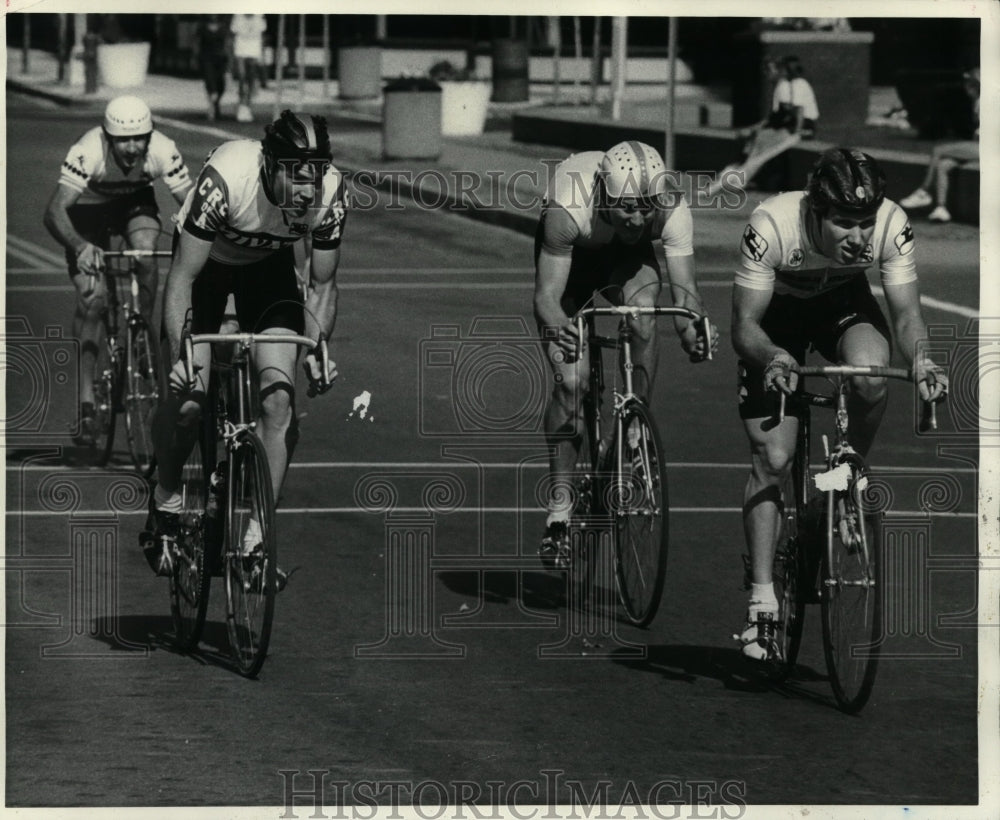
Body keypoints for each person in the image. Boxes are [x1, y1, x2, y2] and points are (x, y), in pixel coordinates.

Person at [731, 147, 948, 660]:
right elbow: (744, 326)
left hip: (840, 303)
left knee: (872, 378)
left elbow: (906, 317)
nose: (859, 237)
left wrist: (923, 361)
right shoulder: (773, 225)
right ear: (816, 213)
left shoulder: (892, 225)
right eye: (846, 225)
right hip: (774, 320)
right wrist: (774, 357)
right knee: (774, 459)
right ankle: (763, 601)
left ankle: (846, 477)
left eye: (865, 224)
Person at [144, 110, 344, 576]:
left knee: (279, 406)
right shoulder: (228, 177)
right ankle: (167, 499)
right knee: (189, 400)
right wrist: (182, 352)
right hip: (205, 269)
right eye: (296, 175)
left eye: (314, 175)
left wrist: (316, 348)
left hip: (267, 272)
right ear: (270, 165)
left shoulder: (331, 193)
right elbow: (181, 278)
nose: (307, 189)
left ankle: (256, 541)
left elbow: (323, 286)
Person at [533, 140, 719, 567]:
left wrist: (695, 333)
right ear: (604, 196)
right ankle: (560, 510)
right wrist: (558, 325)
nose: (638, 220)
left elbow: (686, 296)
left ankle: (631, 429)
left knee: (643, 315)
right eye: (628, 209)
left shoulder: (669, 207)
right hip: (573, 259)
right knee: (572, 383)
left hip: (626, 260)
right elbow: (546, 297)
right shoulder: (567, 208)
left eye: (646, 209)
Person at [43, 95, 192, 446]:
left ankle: (142, 334)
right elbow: (54, 212)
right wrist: (80, 246)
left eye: (139, 138)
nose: (132, 147)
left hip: (132, 204)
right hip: (87, 213)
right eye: (123, 140)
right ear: (108, 138)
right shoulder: (88, 150)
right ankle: (86, 403)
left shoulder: (163, 148)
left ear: (150, 135)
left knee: (144, 252)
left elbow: (192, 201)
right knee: (92, 300)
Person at [711, 56, 819, 197]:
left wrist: (796, 131)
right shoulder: (790, 84)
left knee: (759, 153)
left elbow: (797, 111)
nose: (779, 72)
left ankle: (732, 181)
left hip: (802, 128)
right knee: (755, 150)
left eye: (780, 69)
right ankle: (729, 179)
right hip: (794, 127)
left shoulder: (796, 84)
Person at [900, 68, 980, 223]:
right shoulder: (977, 102)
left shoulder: (983, 102)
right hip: (979, 148)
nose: (966, 88)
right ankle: (941, 208)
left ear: (975, 86)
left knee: (939, 150)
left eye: (969, 85)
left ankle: (923, 191)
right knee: (943, 165)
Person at [230, 13, 267, 123]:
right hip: (241, 48)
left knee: (251, 77)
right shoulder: (237, 16)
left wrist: (261, 55)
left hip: (254, 48)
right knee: (242, 76)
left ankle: (248, 106)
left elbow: (262, 36)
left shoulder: (260, 16)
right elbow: (233, 36)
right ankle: (241, 105)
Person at [197, 15, 230, 122]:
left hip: (220, 59)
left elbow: (227, 44)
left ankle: (215, 104)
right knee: (211, 83)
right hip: (207, 58)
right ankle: (211, 107)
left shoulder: (223, 27)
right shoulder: (202, 27)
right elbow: (197, 43)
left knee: (221, 85)